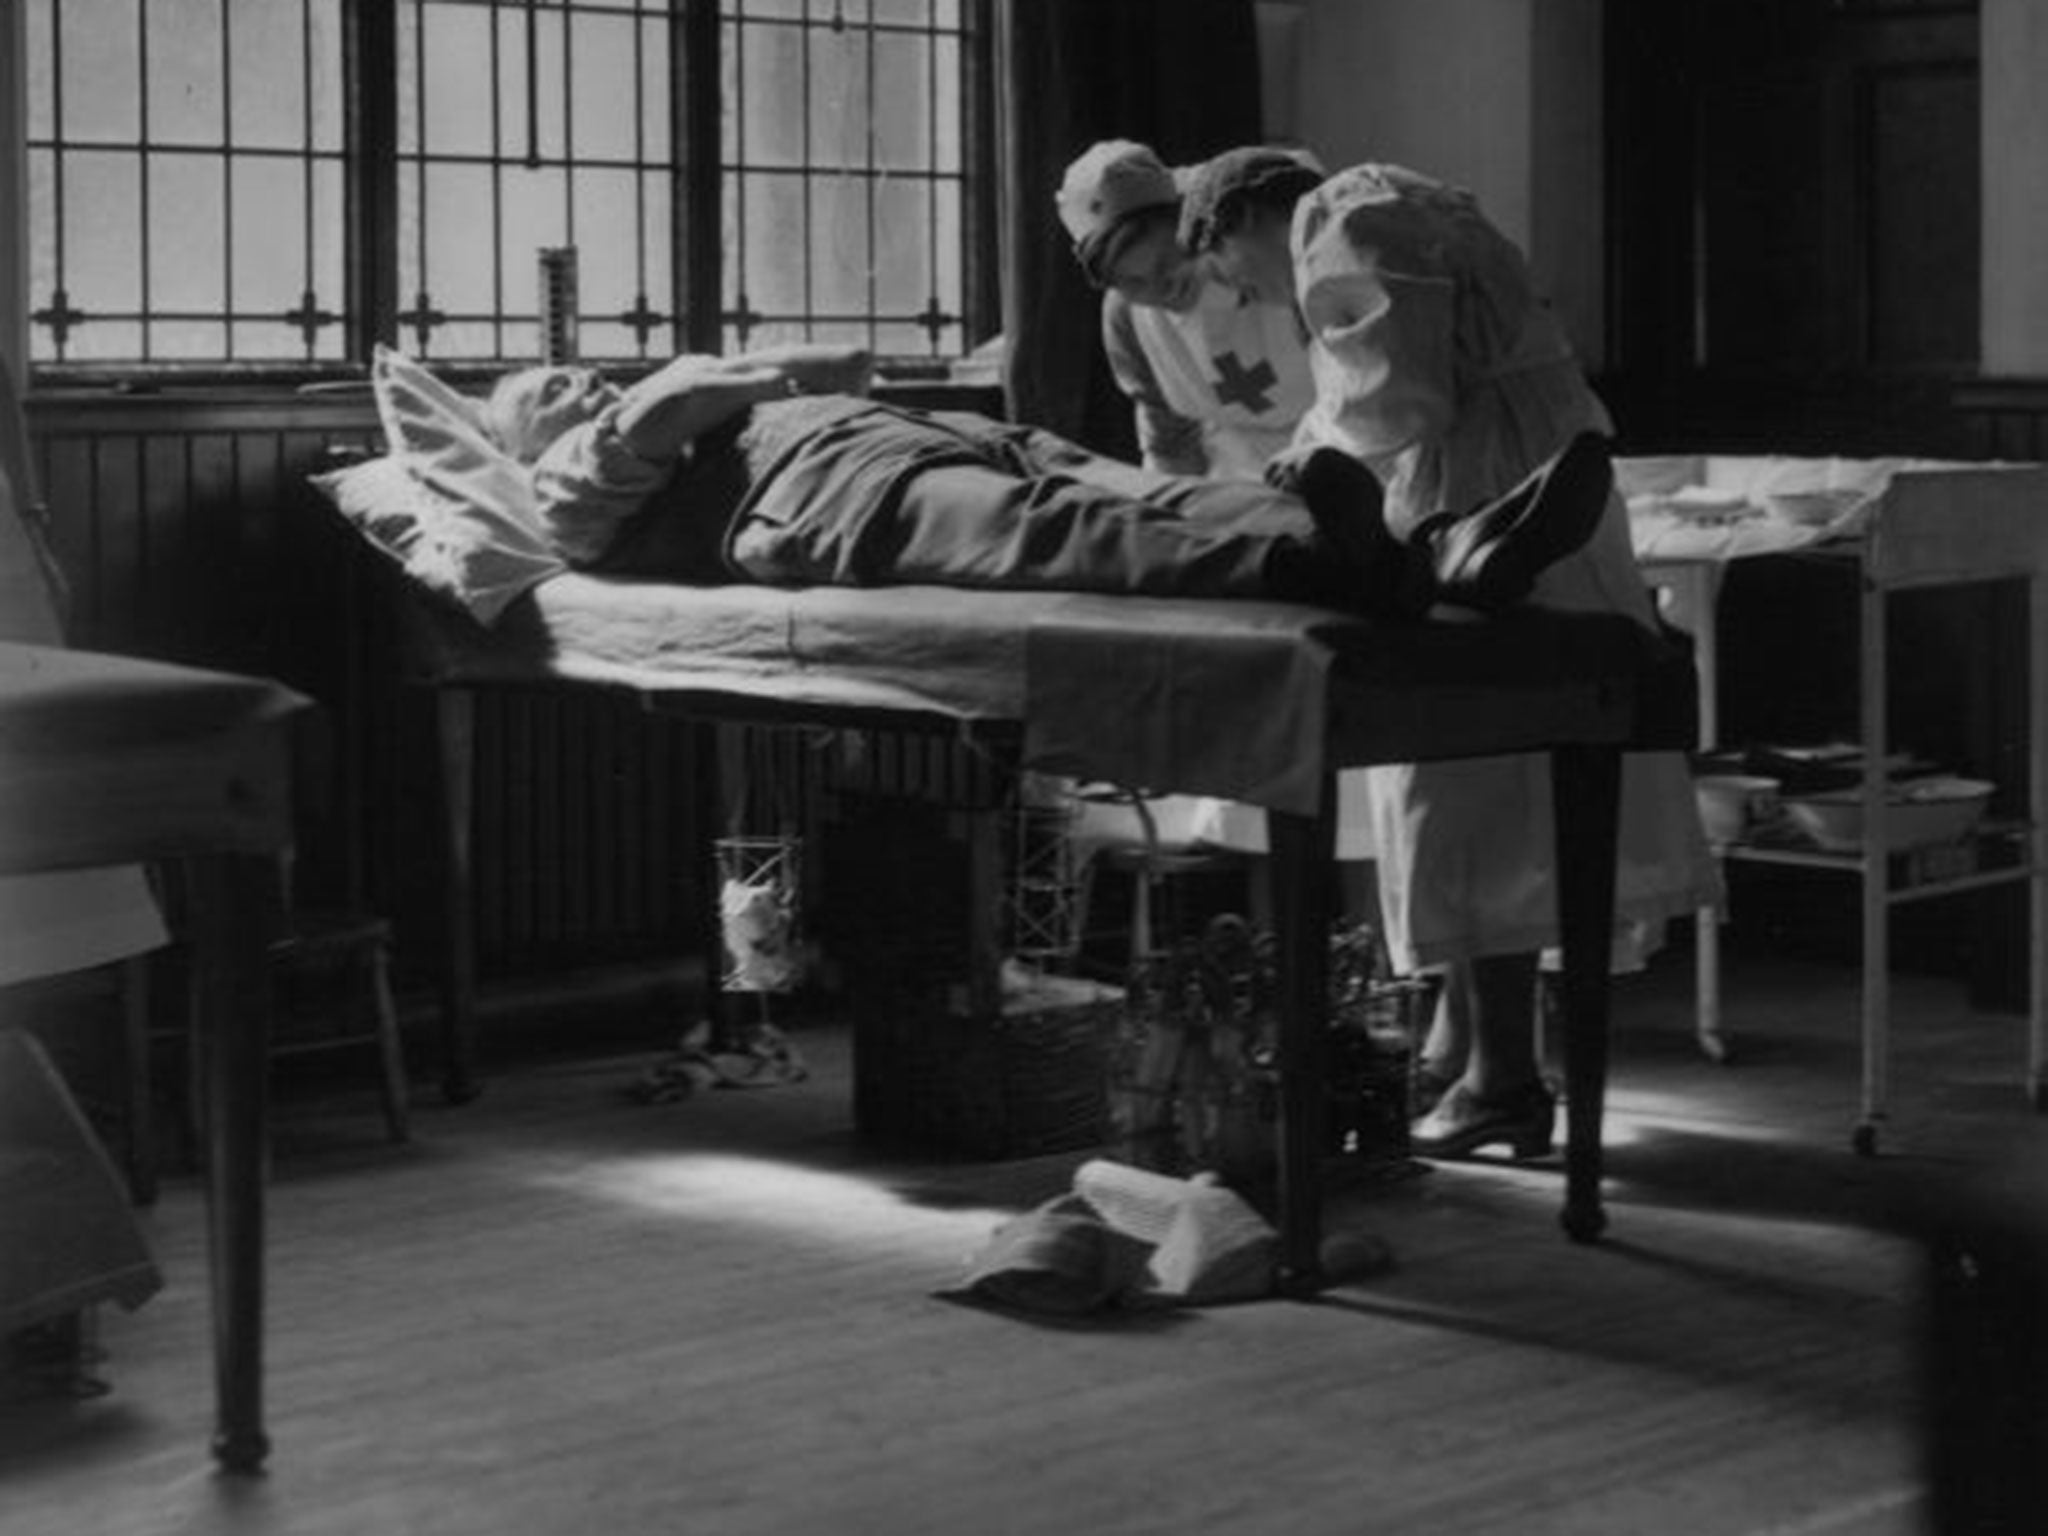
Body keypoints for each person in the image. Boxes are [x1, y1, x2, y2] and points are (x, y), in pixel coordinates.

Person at [1177, 148, 1721, 1161]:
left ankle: (1500, 1078)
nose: (1254, 293)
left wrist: (1299, 466)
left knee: (1468, 778)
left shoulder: (1340, 224)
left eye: (1234, 271)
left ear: (1238, 217)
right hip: (1531, 461)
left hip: (1481, 473)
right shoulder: (1391, 198)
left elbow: (1400, 395)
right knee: (1507, 774)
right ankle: (1462, 1042)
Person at [484, 342, 1613, 624]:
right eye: (550, 386)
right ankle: (1331, 566)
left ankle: (1441, 544)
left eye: (581, 373)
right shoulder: (571, 478)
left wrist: (771, 375)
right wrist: (718, 373)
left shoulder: (662, 410)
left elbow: (838, 367)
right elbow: (687, 398)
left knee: (1153, 492)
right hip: (839, 500)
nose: (580, 381)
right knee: (1070, 530)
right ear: (521, 440)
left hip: (908, 439)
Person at [1056, 139, 1318, 482]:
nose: (1160, 288)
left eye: (1167, 261)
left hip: (1341, 448)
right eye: (1133, 282)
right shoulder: (1126, 321)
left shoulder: (1271, 265)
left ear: (1189, 223)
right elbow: (1169, 441)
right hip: (1229, 476)